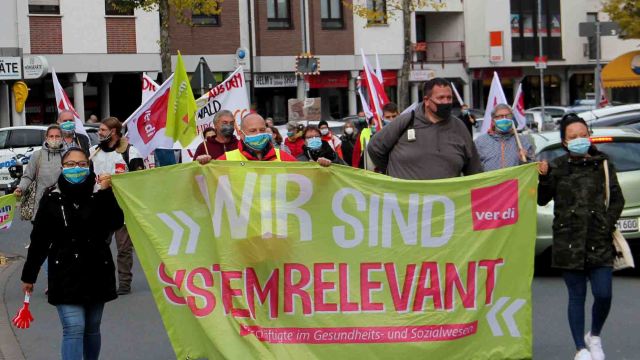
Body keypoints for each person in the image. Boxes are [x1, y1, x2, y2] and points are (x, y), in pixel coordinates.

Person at [21, 147, 124, 360]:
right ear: (62, 167)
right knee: (74, 327)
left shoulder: (100, 193)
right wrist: (29, 275)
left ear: (89, 166)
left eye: (81, 164)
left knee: (92, 328)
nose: (76, 168)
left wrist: (106, 193)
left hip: (97, 269)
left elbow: (116, 221)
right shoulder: (52, 198)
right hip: (65, 272)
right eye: (70, 165)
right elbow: (39, 239)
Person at [538, 114, 624, 360]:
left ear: (590, 136)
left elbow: (617, 199)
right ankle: (580, 348)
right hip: (569, 241)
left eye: (583, 135)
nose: (579, 140)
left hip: (599, 240)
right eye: (572, 137)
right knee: (576, 296)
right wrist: (543, 177)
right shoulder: (557, 166)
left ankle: (594, 335)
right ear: (564, 142)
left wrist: (605, 224)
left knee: (604, 293)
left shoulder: (603, 163)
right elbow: (542, 199)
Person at [367, 77, 483, 180]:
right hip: (407, 202)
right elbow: (375, 148)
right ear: (427, 101)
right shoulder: (405, 122)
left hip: (446, 202)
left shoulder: (459, 128)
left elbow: (474, 171)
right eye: (441, 98)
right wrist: (393, 171)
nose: (446, 102)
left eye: (449, 98)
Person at [91, 117, 144, 295]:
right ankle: (104, 281)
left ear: (113, 132)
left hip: (122, 207)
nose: (99, 133)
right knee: (99, 246)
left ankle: (124, 283)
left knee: (124, 248)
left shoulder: (130, 152)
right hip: (99, 207)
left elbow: (140, 179)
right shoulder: (92, 152)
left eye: (103, 130)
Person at [14, 125, 65, 217]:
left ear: (62, 138)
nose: (54, 139)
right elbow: (28, 176)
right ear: (46, 138)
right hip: (40, 203)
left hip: (62, 203)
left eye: (57, 136)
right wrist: (21, 188)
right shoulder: (37, 155)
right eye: (51, 136)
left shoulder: (67, 155)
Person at [474, 103, 534, 171]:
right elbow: (473, 169)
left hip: (515, 181)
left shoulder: (522, 142)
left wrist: (523, 161)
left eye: (508, 116)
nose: (504, 119)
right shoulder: (480, 142)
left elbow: (532, 169)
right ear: (493, 121)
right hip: (491, 181)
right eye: (500, 116)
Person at [216, 114, 297, 162]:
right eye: (253, 130)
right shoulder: (228, 159)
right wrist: (204, 162)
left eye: (262, 130)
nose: (259, 134)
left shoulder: (283, 158)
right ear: (241, 134)